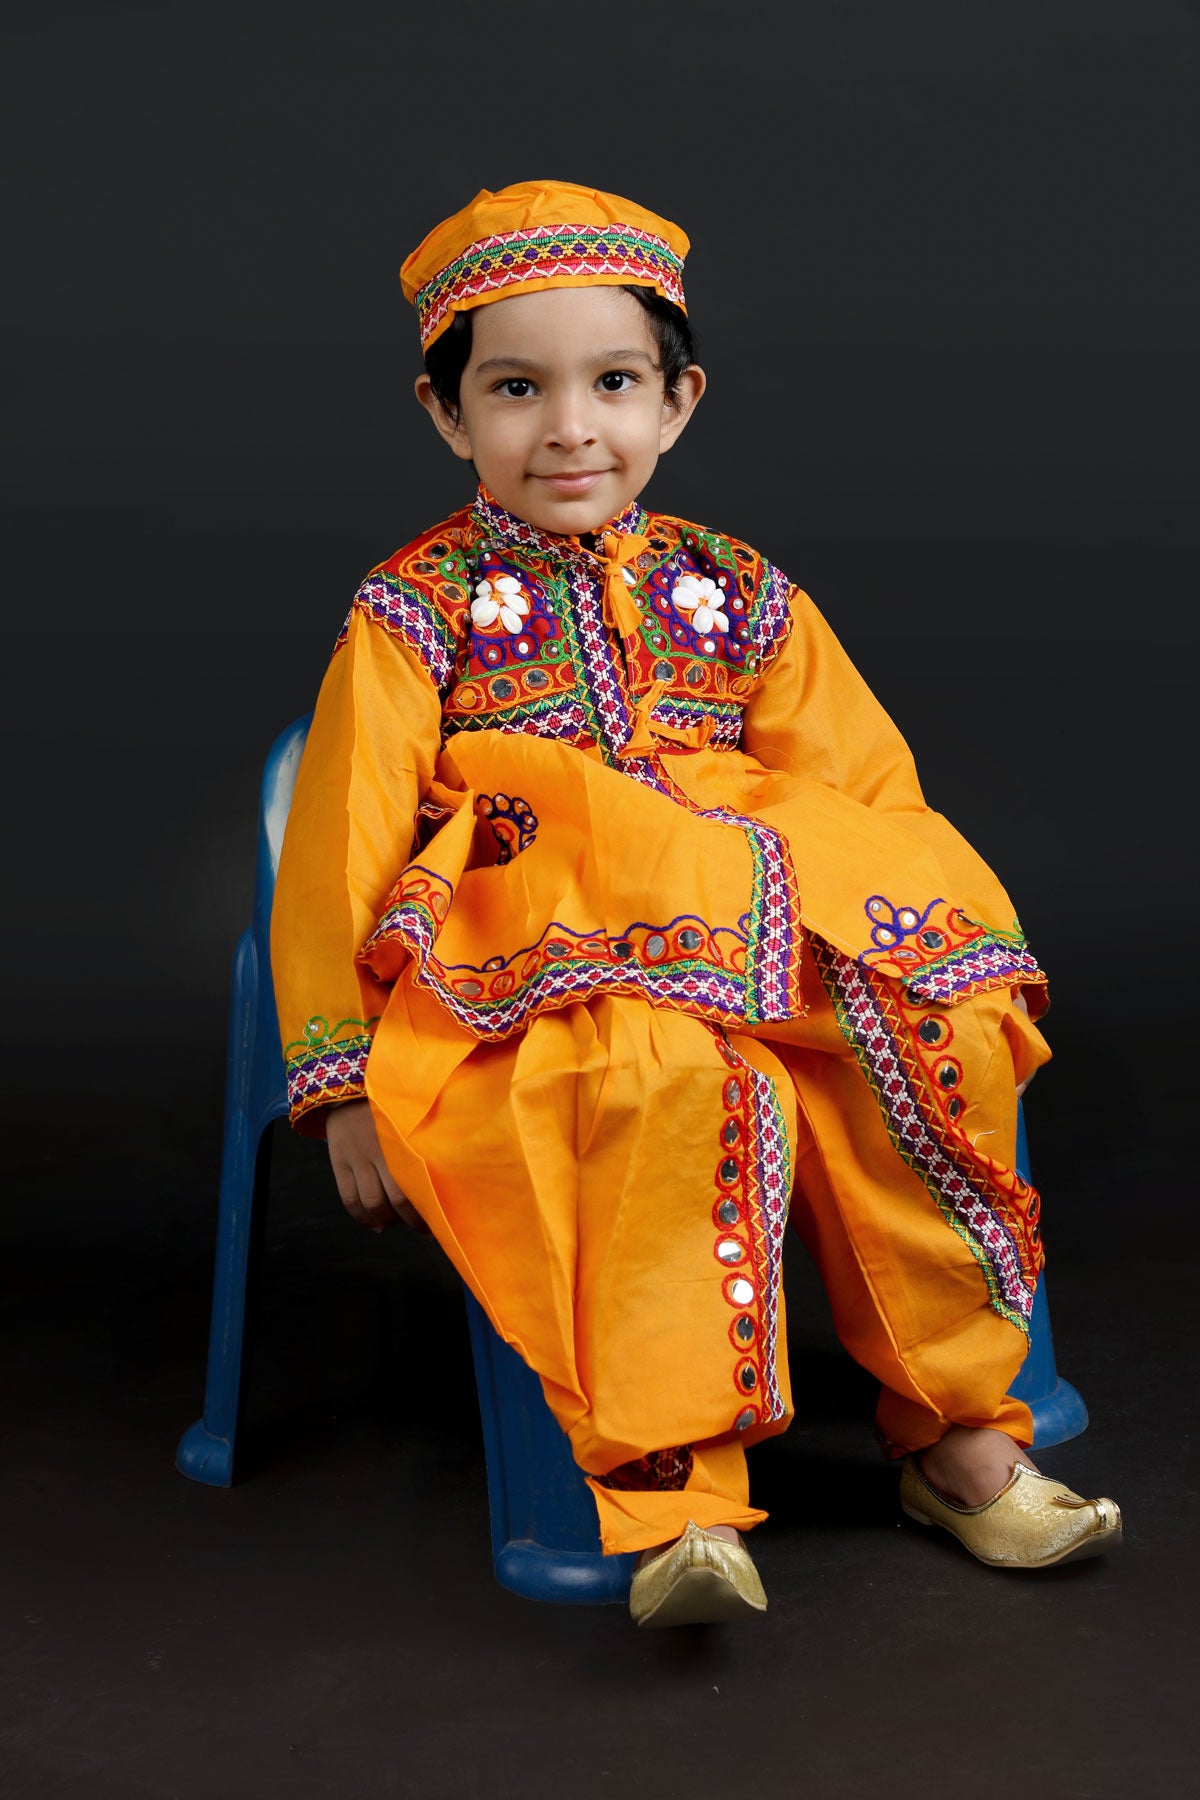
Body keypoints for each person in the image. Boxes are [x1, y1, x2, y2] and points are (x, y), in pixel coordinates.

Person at [271, 180, 1121, 1626]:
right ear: (446, 414)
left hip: (766, 925)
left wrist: (905, 940)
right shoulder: (414, 608)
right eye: (516, 389)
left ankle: (961, 1434)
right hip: (548, 954)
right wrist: (340, 1075)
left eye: (614, 383)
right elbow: (339, 836)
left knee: (924, 1040)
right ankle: (681, 1496)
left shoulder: (742, 590)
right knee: (658, 1082)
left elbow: (863, 789)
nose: (570, 428)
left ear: (678, 401)